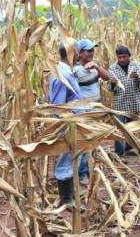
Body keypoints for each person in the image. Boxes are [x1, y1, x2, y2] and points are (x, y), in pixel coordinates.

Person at [49, 42, 88, 206]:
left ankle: (72, 193)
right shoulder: (61, 75)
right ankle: (66, 198)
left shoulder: (67, 72)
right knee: (66, 160)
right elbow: (59, 106)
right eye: (78, 51)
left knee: (73, 159)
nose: (80, 54)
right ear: (74, 53)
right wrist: (66, 126)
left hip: (75, 124)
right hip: (68, 125)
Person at [107, 45, 140, 156]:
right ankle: (119, 153)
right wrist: (112, 83)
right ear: (117, 57)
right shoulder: (112, 69)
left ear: (129, 56)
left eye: (124, 57)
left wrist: (137, 76)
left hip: (134, 102)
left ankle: (129, 149)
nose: (122, 59)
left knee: (132, 128)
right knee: (119, 128)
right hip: (120, 104)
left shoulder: (136, 66)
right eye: (120, 57)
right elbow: (109, 89)